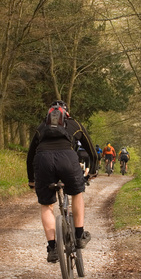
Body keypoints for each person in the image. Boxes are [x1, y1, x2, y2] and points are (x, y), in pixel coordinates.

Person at [27, 101, 98, 263]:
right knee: (77, 193)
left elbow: (30, 156)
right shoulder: (74, 124)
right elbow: (92, 152)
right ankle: (79, 236)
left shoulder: (41, 127)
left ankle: (52, 248)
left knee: (46, 205)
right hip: (67, 159)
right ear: (66, 114)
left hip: (43, 160)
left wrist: (31, 180)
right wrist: (92, 171)